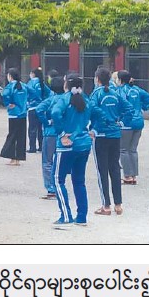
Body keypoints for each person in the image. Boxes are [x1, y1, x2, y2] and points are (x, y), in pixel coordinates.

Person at [50, 73, 98, 229]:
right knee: (79, 181)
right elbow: (99, 114)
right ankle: (82, 216)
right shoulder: (86, 99)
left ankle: (65, 215)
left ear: (66, 84)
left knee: (57, 180)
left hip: (67, 145)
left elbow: (55, 113)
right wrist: (93, 130)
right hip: (84, 144)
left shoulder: (64, 99)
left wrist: (62, 133)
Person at [89, 67, 130, 215]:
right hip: (115, 134)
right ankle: (118, 204)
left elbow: (92, 110)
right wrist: (120, 122)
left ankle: (106, 205)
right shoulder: (116, 93)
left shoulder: (96, 94)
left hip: (101, 135)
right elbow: (129, 108)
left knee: (102, 171)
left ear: (97, 79)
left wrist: (97, 125)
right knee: (115, 168)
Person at [117, 70, 149, 185]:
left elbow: (121, 106)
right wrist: (144, 107)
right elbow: (148, 97)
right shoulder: (137, 89)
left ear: (120, 80)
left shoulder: (121, 90)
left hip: (127, 123)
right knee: (133, 149)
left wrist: (119, 118)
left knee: (123, 149)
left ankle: (127, 175)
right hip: (139, 121)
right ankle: (134, 175)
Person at [36, 75, 66, 200]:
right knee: (60, 161)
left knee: (47, 161)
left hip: (50, 133)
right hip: (63, 133)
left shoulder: (50, 99)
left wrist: (46, 122)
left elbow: (38, 110)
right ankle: (60, 184)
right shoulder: (67, 99)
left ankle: (51, 188)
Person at [0, 68, 28, 165]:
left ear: (10, 76)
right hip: (23, 114)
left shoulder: (10, 87)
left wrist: (8, 104)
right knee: (21, 137)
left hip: (13, 115)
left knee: (12, 136)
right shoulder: (24, 86)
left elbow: (4, 95)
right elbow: (34, 93)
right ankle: (18, 158)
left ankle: (12, 157)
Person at [26, 67, 50, 153]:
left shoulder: (30, 83)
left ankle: (32, 147)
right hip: (41, 109)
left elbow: (27, 94)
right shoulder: (42, 83)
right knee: (40, 128)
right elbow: (49, 93)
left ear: (33, 74)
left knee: (32, 129)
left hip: (32, 108)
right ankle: (41, 146)